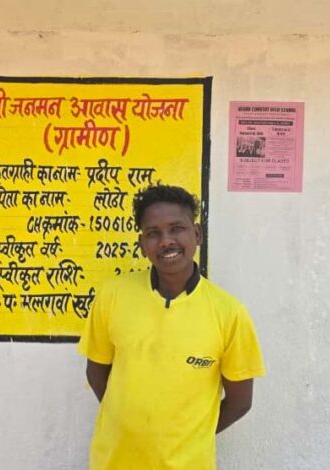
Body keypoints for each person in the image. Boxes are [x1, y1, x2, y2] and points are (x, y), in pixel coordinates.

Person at [78, 184, 265, 469]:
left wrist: (189, 437)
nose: (166, 241)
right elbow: (96, 373)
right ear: (142, 245)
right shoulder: (112, 296)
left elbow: (240, 402)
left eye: (177, 229)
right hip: (114, 462)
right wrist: (129, 425)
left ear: (197, 234)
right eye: (153, 233)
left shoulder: (229, 313)